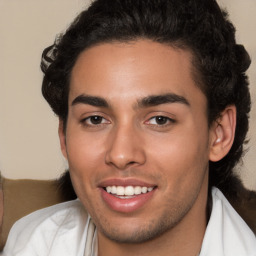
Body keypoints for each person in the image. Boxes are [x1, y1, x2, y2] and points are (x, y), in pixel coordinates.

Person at [2, 0, 256, 255]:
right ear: (64, 136)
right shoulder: (31, 243)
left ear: (219, 134)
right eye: (95, 119)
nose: (121, 155)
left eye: (159, 120)